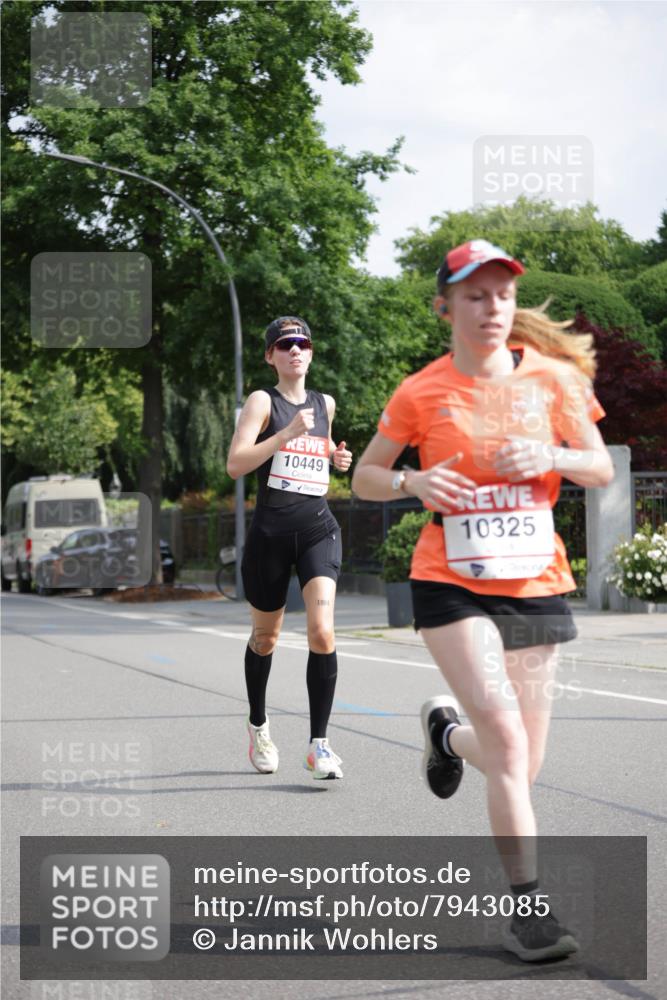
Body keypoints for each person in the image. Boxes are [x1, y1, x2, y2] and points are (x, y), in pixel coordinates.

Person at [352, 239, 613, 961]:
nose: (490, 307)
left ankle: (443, 735)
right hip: (450, 578)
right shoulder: (420, 391)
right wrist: (412, 483)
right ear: (445, 306)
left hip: (533, 580)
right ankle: (528, 911)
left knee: (520, 762)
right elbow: (365, 477)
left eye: (500, 294)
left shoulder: (553, 382)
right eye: (473, 295)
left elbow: (598, 467)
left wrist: (552, 456)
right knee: (504, 741)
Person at [227, 316, 352, 781]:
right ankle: (258, 725)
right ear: (270, 355)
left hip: (319, 529)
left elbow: (312, 461)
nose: (295, 350)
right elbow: (236, 464)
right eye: (285, 345)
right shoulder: (263, 401)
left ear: (311, 352)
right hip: (271, 538)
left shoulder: (326, 404)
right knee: (266, 639)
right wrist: (283, 434)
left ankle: (319, 746)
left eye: (302, 343)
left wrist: (335, 460)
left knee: (322, 631)